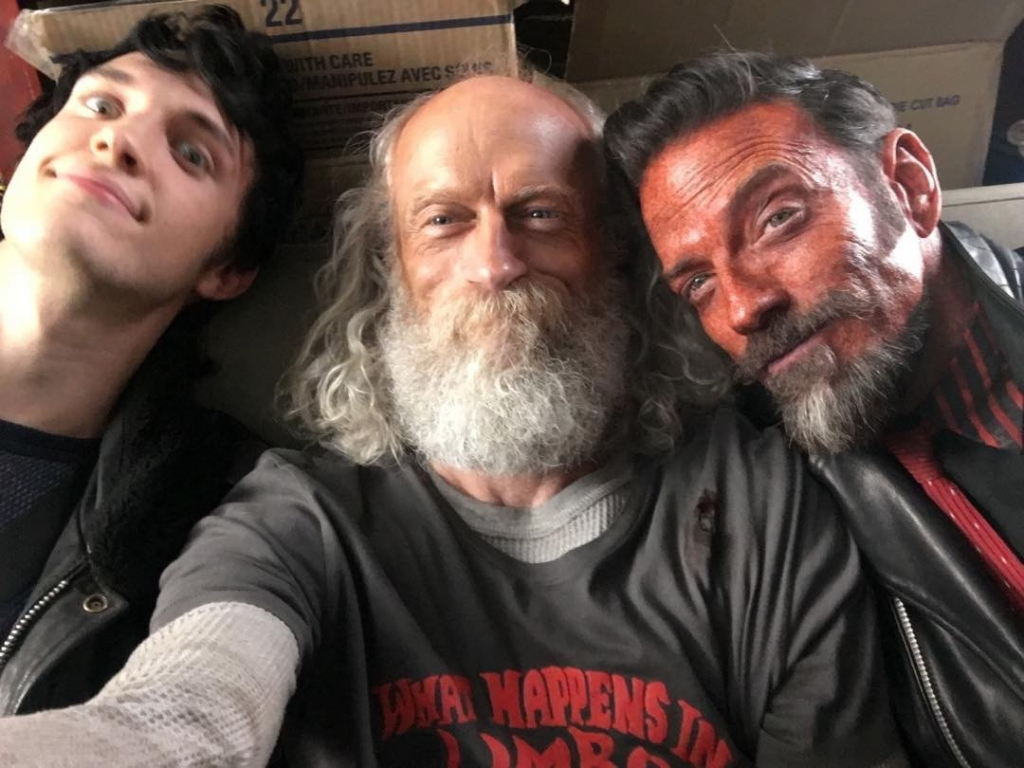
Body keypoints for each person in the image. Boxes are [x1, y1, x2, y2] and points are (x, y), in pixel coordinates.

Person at [0, 72, 906, 768]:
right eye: (442, 221)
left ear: (616, 257)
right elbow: (182, 714)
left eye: (540, 214)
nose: (495, 263)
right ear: (390, 272)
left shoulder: (755, 500)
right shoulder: (299, 520)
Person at [604, 51, 1024, 768]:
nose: (743, 308)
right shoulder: (769, 490)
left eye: (778, 219)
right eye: (699, 283)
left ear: (910, 186)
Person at [0, 6, 302, 715]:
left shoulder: (213, 516)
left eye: (192, 153)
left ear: (227, 269)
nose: (119, 140)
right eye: (101, 105)